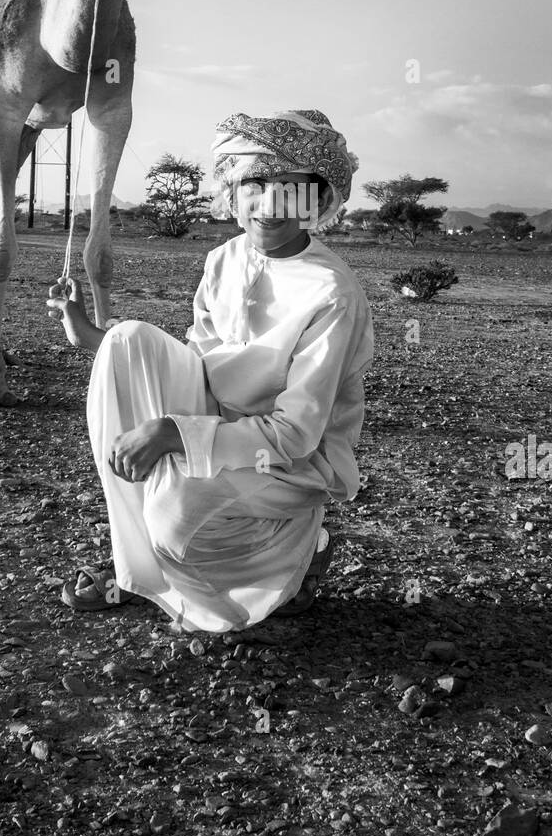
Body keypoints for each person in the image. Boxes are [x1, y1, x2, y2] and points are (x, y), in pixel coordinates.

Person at [47, 108, 375, 633]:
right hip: (218, 421)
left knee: (177, 515)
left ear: (317, 202)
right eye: (254, 184)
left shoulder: (331, 294)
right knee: (126, 340)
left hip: (291, 460)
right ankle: (139, 568)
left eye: (290, 190)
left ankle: (298, 554)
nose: (268, 205)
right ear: (232, 192)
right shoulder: (224, 258)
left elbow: (295, 434)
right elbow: (198, 365)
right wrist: (87, 334)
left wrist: (172, 432)